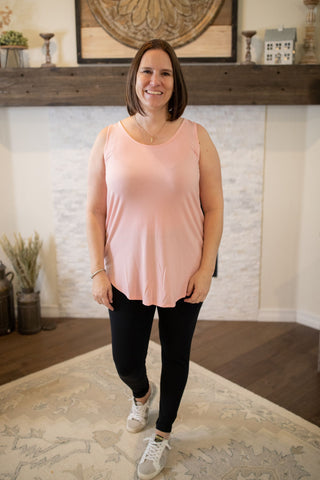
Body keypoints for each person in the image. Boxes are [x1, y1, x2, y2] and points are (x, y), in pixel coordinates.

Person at [86, 38, 223, 480]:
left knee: (176, 357)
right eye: (148, 71)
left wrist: (206, 268)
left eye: (165, 73)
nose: (155, 80)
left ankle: (162, 435)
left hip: (185, 271)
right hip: (125, 273)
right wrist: (97, 269)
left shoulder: (196, 136)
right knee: (126, 361)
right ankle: (141, 397)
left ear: (174, 81)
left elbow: (215, 206)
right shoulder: (108, 137)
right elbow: (94, 210)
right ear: (134, 77)